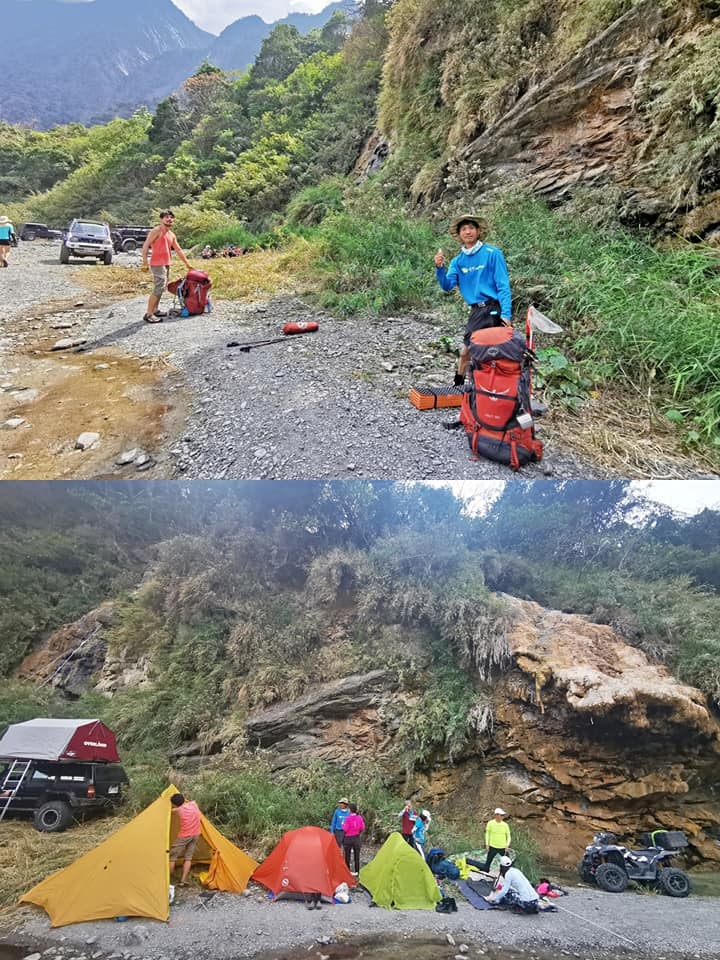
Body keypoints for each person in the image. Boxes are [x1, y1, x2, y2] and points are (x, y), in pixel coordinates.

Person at [433, 214, 512, 384]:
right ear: (459, 235)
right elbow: (447, 286)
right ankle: (458, 386)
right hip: (476, 311)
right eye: (464, 229)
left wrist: (506, 314)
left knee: (489, 352)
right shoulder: (457, 261)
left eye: (471, 228)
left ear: (478, 231)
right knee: (466, 352)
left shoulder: (492, 253)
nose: (468, 232)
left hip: (493, 308)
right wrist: (440, 268)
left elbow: (503, 286)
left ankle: (490, 390)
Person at [140, 210, 191, 323]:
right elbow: (145, 246)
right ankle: (149, 314)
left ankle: (155, 310)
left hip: (166, 263)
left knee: (162, 287)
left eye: (171, 217)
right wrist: (144, 262)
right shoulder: (156, 231)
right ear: (161, 219)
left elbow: (178, 249)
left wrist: (187, 263)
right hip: (157, 263)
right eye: (167, 217)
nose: (169, 219)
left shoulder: (171, 234)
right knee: (158, 287)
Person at [169, 792, 201, 886]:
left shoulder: (178, 810)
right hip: (196, 834)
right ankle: (183, 881)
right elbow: (188, 801)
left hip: (185, 835)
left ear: (174, 804)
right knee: (188, 857)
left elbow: (170, 810)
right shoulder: (194, 804)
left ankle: (169, 880)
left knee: (172, 856)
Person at [484, 807, 511, 872]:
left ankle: (508, 874)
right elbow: (487, 834)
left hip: (503, 847)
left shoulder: (505, 825)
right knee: (488, 862)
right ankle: (485, 873)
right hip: (492, 846)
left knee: (508, 863)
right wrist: (487, 844)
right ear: (496, 815)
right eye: (501, 815)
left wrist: (507, 845)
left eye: (503, 815)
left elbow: (509, 836)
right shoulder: (490, 823)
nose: (502, 816)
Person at [342, 802, 365, 875]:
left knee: (347, 856)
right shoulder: (359, 817)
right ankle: (357, 871)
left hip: (348, 838)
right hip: (356, 838)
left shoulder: (348, 818)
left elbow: (345, 829)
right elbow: (362, 827)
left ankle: (347, 871)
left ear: (350, 810)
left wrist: (343, 825)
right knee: (357, 855)